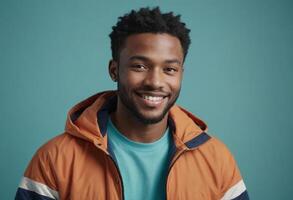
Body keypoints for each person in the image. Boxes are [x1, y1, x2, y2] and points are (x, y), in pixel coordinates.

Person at [15, 7, 249, 200]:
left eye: (170, 69)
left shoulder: (217, 159)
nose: (155, 81)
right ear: (114, 70)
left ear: (181, 74)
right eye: (139, 66)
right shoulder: (55, 159)